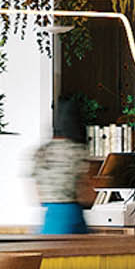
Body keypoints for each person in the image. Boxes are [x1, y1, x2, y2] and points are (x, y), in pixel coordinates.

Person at [32, 97, 94, 235]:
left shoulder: (42, 151)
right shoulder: (77, 151)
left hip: (48, 218)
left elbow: (37, 193)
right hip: (72, 215)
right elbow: (85, 193)